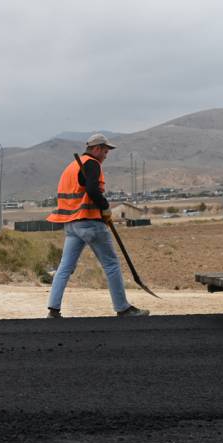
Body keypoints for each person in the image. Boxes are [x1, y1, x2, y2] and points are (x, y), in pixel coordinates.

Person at [45, 133, 149, 318]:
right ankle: (123, 308)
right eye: (106, 150)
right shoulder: (92, 164)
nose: (107, 154)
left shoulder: (70, 167)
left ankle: (53, 310)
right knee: (111, 265)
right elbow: (92, 190)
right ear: (97, 149)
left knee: (65, 267)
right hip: (90, 223)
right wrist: (105, 207)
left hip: (71, 225)